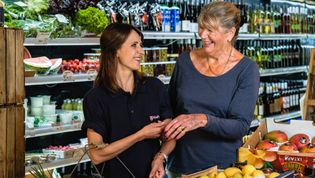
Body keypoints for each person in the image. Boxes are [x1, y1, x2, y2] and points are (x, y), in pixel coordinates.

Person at [163, 1, 260, 177]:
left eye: (210, 30)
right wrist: (161, 151)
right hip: (178, 166)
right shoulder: (184, 61)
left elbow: (240, 126)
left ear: (230, 33)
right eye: (201, 27)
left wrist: (203, 120)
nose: (202, 34)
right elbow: (169, 109)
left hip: (222, 169)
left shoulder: (246, 69)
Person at [81, 23, 175, 178]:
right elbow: (96, 155)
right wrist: (141, 135)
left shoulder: (154, 87)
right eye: (134, 45)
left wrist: (161, 157)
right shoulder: (96, 98)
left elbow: (171, 137)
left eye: (141, 45)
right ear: (115, 50)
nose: (141, 51)